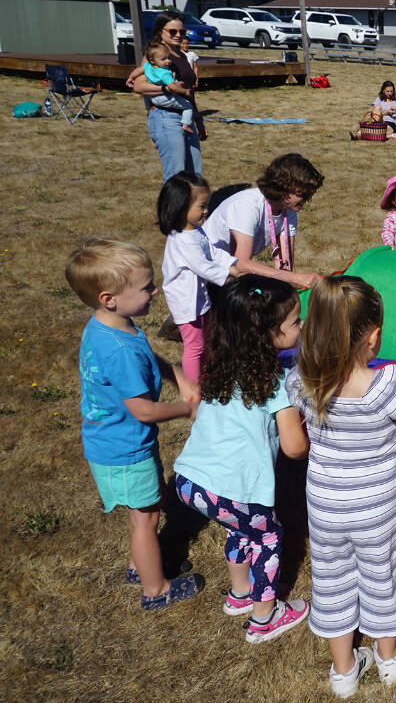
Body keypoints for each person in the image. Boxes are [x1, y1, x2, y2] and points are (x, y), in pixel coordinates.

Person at [286, 276, 396, 697]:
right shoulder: (390, 386)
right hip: (375, 510)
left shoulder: (302, 383)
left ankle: (344, 671)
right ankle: (387, 660)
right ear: (373, 337)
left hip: (325, 507)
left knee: (331, 581)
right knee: (380, 576)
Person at [65, 239, 203, 610]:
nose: (155, 291)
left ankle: (139, 565)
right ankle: (155, 589)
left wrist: (176, 373)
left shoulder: (112, 326)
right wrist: (184, 408)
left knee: (145, 509)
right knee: (147, 517)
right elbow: (142, 410)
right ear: (109, 297)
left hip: (115, 442)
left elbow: (147, 353)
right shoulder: (120, 349)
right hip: (125, 448)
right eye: (146, 287)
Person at [172, 276, 311, 644]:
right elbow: (295, 448)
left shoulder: (221, 365)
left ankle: (239, 594)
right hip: (235, 488)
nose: (301, 327)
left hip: (190, 481)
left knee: (239, 528)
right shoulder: (272, 381)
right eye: (296, 322)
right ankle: (265, 615)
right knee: (268, 535)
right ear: (270, 331)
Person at [158, 172, 279, 381]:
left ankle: (207, 373)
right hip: (185, 302)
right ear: (180, 208)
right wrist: (228, 276)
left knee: (206, 338)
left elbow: (212, 252)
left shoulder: (196, 231)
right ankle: (194, 389)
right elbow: (203, 266)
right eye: (201, 207)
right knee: (194, 346)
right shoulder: (182, 240)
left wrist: (232, 264)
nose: (206, 211)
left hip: (199, 299)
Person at [203, 153, 323, 290]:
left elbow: (286, 268)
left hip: (228, 273)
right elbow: (241, 264)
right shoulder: (247, 206)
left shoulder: (288, 212)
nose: (309, 200)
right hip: (203, 271)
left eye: (311, 194)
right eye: (305, 194)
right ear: (284, 187)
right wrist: (295, 278)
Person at [129, 10, 203, 180]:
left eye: (182, 32)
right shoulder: (156, 55)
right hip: (166, 118)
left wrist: (198, 120)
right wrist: (167, 89)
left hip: (185, 117)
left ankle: (194, 207)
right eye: (173, 31)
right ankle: (171, 207)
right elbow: (138, 86)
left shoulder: (181, 55)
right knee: (176, 176)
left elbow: (188, 91)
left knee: (195, 175)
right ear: (160, 31)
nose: (178, 35)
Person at [142, 42, 195, 135]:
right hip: (165, 99)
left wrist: (130, 78)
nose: (168, 61)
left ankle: (148, 109)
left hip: (151, 98)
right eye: (163, 59)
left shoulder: (148, 65)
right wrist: (185, 91)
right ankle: (186, 125)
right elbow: (172, 87)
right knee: (188, 107)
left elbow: (138, 71)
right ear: (152, 60)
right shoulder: (164, 73)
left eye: (169, 58)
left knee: (145, 94)